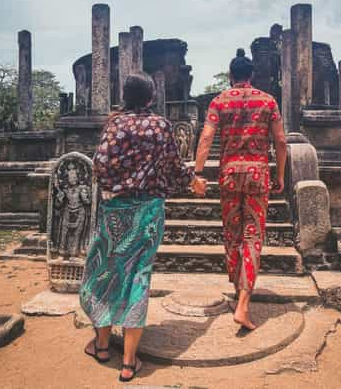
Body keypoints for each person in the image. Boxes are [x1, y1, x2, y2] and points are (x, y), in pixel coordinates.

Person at [80, 72, 206, 382]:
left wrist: (119, 183)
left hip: (115, 211)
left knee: (106, 272)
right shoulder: (160, 126)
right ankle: (129, 362)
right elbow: (175, 166)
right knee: (138, 276)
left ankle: (102, 345)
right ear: (151, 98)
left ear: (125, 96)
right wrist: (192, 182)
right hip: (149, 210)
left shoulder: (114, 124)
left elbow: (99, 165)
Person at [195, 49, 287, 330]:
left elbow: (207, 136)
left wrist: (198, 172)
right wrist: (279, 174)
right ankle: (244, 303)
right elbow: (281, 141)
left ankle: (238, 287)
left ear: (231, 75)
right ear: (252, 75)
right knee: (253, 235)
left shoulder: (219, 101)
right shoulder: (268, 101)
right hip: (259, 174)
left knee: (232, 232)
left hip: (230, 175)